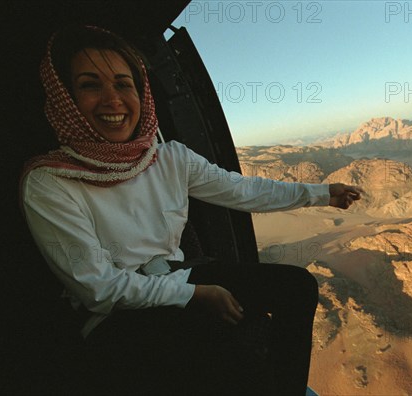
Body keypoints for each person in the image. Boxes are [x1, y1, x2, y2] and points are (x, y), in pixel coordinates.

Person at [21, 25, 364, 396]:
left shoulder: (168, 158)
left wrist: (320, 193)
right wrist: (194, 295)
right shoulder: (50, 182)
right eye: (90, 85)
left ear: (141, 93)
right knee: (225, 353)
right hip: (116, 317)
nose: (112, 99)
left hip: (179, 277)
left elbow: (242, 189)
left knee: (297, 287)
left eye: (123, 84)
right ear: (66, 99)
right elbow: (99, 288)